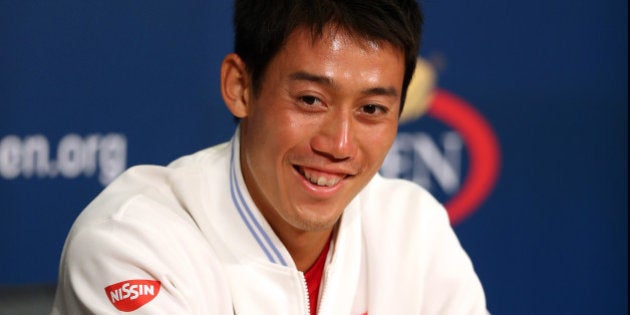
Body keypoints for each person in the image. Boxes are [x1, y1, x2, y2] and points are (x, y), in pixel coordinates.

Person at [52, 0, 488, 314]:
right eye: (311, 100)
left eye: (371, 109)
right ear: (240, 86)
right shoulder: (131, 243)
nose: (339, 144)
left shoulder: (413, 230)